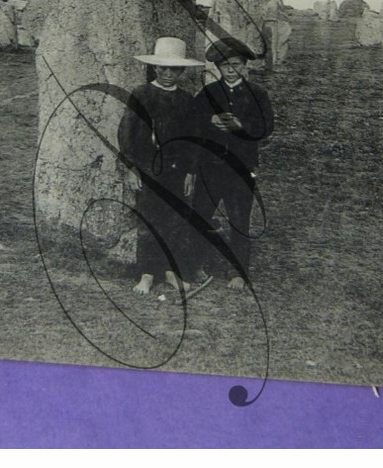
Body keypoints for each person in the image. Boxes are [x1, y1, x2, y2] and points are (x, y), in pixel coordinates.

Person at [117, 36, 204, 296]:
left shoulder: (186, 100)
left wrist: (190, 171)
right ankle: (145, 273)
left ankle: (169, 271)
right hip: (147, 169)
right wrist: (131, 167)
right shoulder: (142, 94)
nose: (168, 74)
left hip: (176, 171)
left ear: (183, 71)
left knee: (174, 221)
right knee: (148, 220)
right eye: (163, 68)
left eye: (175, 69)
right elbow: (126, 133)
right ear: (154, 68)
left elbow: (193, 139)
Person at [192, 35, 274, 290]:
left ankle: (238, 273)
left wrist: (242, 126)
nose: (231, 69)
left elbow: (266, 127)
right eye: (226, 65)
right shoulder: (208, 93)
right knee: (201, 215)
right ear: (217, 67)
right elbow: (190, 123)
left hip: (241, 167)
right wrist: (210, 122)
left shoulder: (257, 94)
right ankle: (195, 266)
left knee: (240, 219)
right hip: (210, 167)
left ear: (245, 66)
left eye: (236, 64)